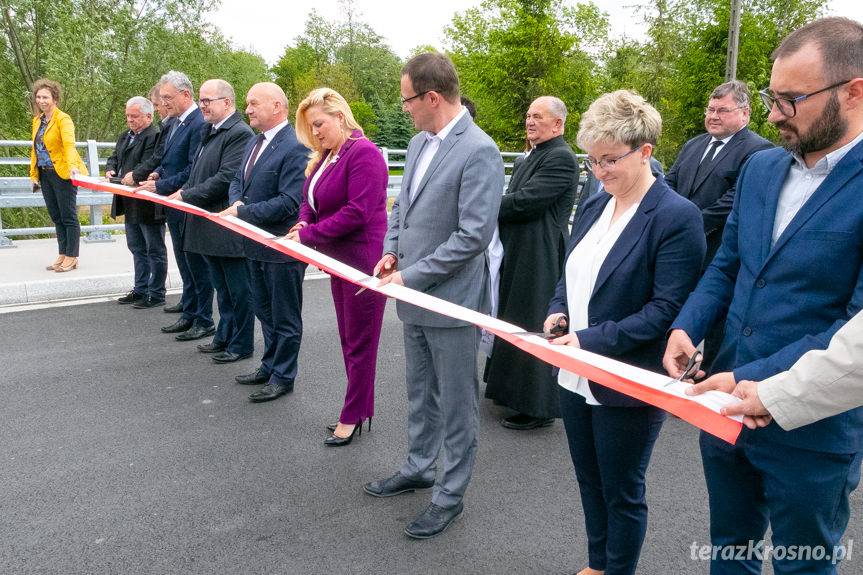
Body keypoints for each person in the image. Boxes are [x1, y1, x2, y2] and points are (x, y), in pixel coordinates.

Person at [664, 17, 863, 574]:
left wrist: (758, 377)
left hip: (813, 428)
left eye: (790, 100)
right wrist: (689, 324)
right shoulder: (760, 167)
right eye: (773, 97)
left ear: (854, 91)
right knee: (729, 551)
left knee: (804, 564)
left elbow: (855, 324)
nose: (773, 115)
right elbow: (729, 263)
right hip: (725, 409)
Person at [546, 90, 705, 575]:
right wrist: (558, 312)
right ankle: (598, 564)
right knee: (589, 482)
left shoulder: (677, 216)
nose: (600, 171)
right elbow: (569, 274)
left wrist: (589, 340)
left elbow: (665, 310)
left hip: (627, 378)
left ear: (646, 152)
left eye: (611, 160)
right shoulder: (595, 205)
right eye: (592, 161)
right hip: (575, 372)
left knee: (623, 490)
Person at [363, 53, 503, 539]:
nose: (405, 110)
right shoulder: (422, 143)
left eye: (407, 100)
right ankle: (420, 466)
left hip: (451, 300)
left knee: (458, 402)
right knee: (420, 392)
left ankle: (450, 494)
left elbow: (472, 235)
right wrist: (391, 252)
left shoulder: (478, 150)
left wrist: (414, 275)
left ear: (432, 97)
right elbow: (402, 207)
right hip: (415, 293)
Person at [287, 87, 388, 444]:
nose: (315, 133)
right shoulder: (326, 157)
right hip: (337, 260)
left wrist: (310, 234)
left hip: (362, 262)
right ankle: (361, 409)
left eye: (319, 124)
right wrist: (303, 223)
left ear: (340, 117)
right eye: (311, 127)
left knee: (360, 342)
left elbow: (358, 212)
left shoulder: (364, 153)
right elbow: (308, 200)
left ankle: (353, 414)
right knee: (349, 339)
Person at [483, 95, 579, 430]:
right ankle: (509, 391)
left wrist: (483, 205)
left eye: (538, 117)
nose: (530, 122)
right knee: (512, 317)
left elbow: (526, 203)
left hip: (539, 254)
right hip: (520, 249)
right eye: (527, 116)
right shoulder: (535, 155)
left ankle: (536, 405)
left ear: (558, 124)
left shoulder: (562, 158)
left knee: (531, 321)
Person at [665, 80, 773, 370]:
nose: (712, 116)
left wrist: (686, 225)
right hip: (680, 250)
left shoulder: (758, 151)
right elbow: (670, 184)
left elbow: (734, 200)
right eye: (710, 109)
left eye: (722, 111)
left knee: (716, 322)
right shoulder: (693, 145)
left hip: (720, 251)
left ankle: (711, 377)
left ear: (745, 114)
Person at [220, 82, 308, 403]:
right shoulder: (255, 142)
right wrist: (236, 203)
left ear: (277, 106)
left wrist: (242, 211)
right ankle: (269, 364)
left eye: (255, 103)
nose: (248, 109)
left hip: (282, 248)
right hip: (254, 245)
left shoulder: (295, 145)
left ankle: (284, 375)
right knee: (264, 310)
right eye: (248, 104)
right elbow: (236, 182)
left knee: (285, 316)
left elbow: (289, 202)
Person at [167, 79, 254, 364]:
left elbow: (225, 178)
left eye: (208, 101)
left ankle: (241, 343)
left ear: (227, 103)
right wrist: (184, 189)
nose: (202, 106)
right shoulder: (209, 130)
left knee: (238, 291)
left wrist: (188, 196)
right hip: (207, 224)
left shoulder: (238, 133)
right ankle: (224, 336)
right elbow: (196, 170)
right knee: (222, 289)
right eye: (201, 101)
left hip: (225, 227)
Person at [137, 71, 214, 341]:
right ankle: (190, 311)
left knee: (196, 264)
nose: (164, 102)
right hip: (173, 203)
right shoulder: (174, 122)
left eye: (168, 97)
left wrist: (162, 185)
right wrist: (157, 174)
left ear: (185, 95)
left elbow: (193, 169)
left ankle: (203, 319)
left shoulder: (197, 123)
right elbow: (167, 159)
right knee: (184, 261)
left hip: (185, 201)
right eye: (162, 98)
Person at [106, 96, 165, 308]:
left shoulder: (155, 136)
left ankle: (156, 292)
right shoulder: (125, 136)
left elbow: (152, 162)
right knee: (136, 247)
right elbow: (114, 157)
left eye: (135, 116)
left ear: (149, 116)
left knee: (154, 249)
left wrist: (135, 174)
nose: (130, 120)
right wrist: (110, 169)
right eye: (128, 116)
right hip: (128, 200)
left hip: (147, 200)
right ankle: (140, 288)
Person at [29, 78, 88, 273]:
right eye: (38, 97)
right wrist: (33, 174)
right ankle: (63, 253)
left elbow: (69, 145)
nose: (41, 100)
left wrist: (72, 167)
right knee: (56, 216)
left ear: (54, 98)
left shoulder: (63, 119)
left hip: (63, 172)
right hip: (45, 174)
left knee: (68, 216)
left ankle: (72, 256)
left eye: (45, 97)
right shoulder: (37, 121)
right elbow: (35, 150)